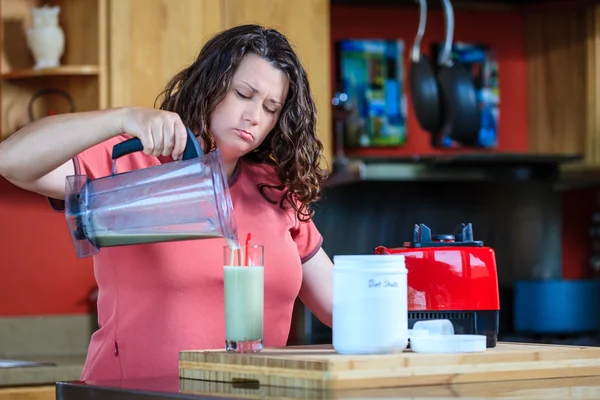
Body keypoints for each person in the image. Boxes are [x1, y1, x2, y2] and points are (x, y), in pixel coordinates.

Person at [0, 24, 333, 381]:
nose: (255, 116)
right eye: (243, 94)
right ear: (212, 84)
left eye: (271, 107)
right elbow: (11, 160)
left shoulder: (276, 190)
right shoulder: (130, 163)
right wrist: (121, 118)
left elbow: (338, 308)